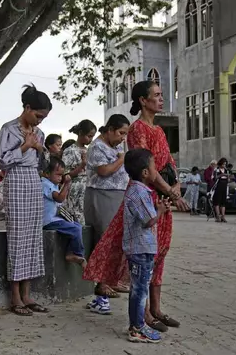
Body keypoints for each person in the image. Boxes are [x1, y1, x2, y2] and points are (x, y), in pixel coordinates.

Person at [84, 81, 189, 333]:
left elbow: (170, 162)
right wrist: (169, 192)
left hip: (163, 195)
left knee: (160, 251)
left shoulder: (160, 131)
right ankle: (143, 316)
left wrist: (176, 184)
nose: (161, 99)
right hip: (149, 196)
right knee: (144, 256)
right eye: (156, 95)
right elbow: (146, 167)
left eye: (161, 95)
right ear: (143, 100)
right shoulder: (137, 129)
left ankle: (156, 309)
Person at [0, 84, 52, 317]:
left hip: (33, 181)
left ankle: (28, 294)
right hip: (16, 180)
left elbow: (46, 164)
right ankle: (15, 296)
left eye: (44, 118)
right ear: (27, 107)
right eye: (38, 115)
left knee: (32, 237)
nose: (39, 121)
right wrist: (25, 145)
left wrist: (40, 149)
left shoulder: (40, 133)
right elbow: (1, 160)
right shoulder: (9, 129)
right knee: (18, 236)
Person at [121, 148, 170, 344]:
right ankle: (137, 328)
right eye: (153, 167)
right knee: (140, 290)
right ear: (144, 172)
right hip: (139, 248)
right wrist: (160, 210)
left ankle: (136, 324)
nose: (156, 170)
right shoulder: (138, 192)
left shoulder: (139, 190)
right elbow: (148, 221)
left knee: (138, 288)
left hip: (141, 247)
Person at [83, 114, 131, 310]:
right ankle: (101, 283)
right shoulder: (97, 147)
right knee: (104, 238)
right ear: (110, 129)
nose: (123, 138)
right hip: (102, 195)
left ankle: (113, 278)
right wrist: (122, 160)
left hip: (118, 194)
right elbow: (104, 171)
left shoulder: (117, 146)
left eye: (125, 134)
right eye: (120, 133)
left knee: (116, 240)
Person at [41, 157, 86, 268]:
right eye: (58, 175)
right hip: (48, 220)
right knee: (75, 229)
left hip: (55, 217)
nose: (60, 178)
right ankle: (77, 254)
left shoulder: (52, 184)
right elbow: (59, 198)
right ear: (47, 174)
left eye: (61, 175)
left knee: (77, 226)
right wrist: (66, 184)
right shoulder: (45, 184)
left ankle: (71, 252)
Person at [62, 120, 97, 224]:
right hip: (75, 189)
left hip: (88, 188)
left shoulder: (89, 150)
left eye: (92, 137)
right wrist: (82, 165)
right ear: (81, 133)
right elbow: (66, 175)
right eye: (89, 136)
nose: (90, 140)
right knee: (75, 216)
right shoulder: (70, 151)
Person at [212, 158, 229, 223]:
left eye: (225, 164)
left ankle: (223, 216)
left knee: (223, 203)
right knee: (217, 202)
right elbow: (214, 178)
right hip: (218, 187)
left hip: (224, 187)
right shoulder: (217, 170)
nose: (224, 165)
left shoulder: (226, 170)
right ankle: (218, 216)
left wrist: (229, 177)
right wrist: (221, 175)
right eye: (223, 164)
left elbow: (228, 179)